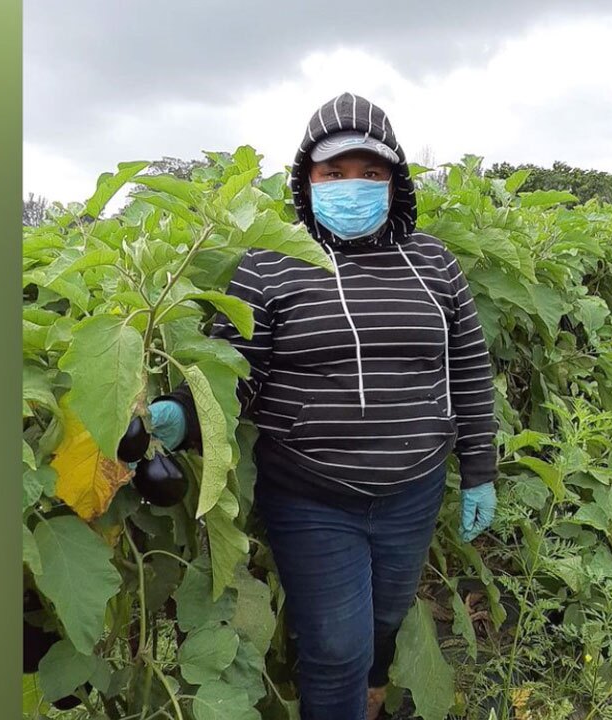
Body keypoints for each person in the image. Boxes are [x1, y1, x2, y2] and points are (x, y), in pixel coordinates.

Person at [146, 92, 498, 720]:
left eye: (370, 172)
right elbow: (237, 374)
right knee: (336, 647)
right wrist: (184, 412)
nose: (351, 186)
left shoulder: (434, 264)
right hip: (312, 493)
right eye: (334, 173)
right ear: (306, 180)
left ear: (394, 180)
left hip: (413, 489)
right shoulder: (269, 265)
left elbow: (468, 368)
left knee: (385, 617)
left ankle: (374, 687)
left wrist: (479, 471)